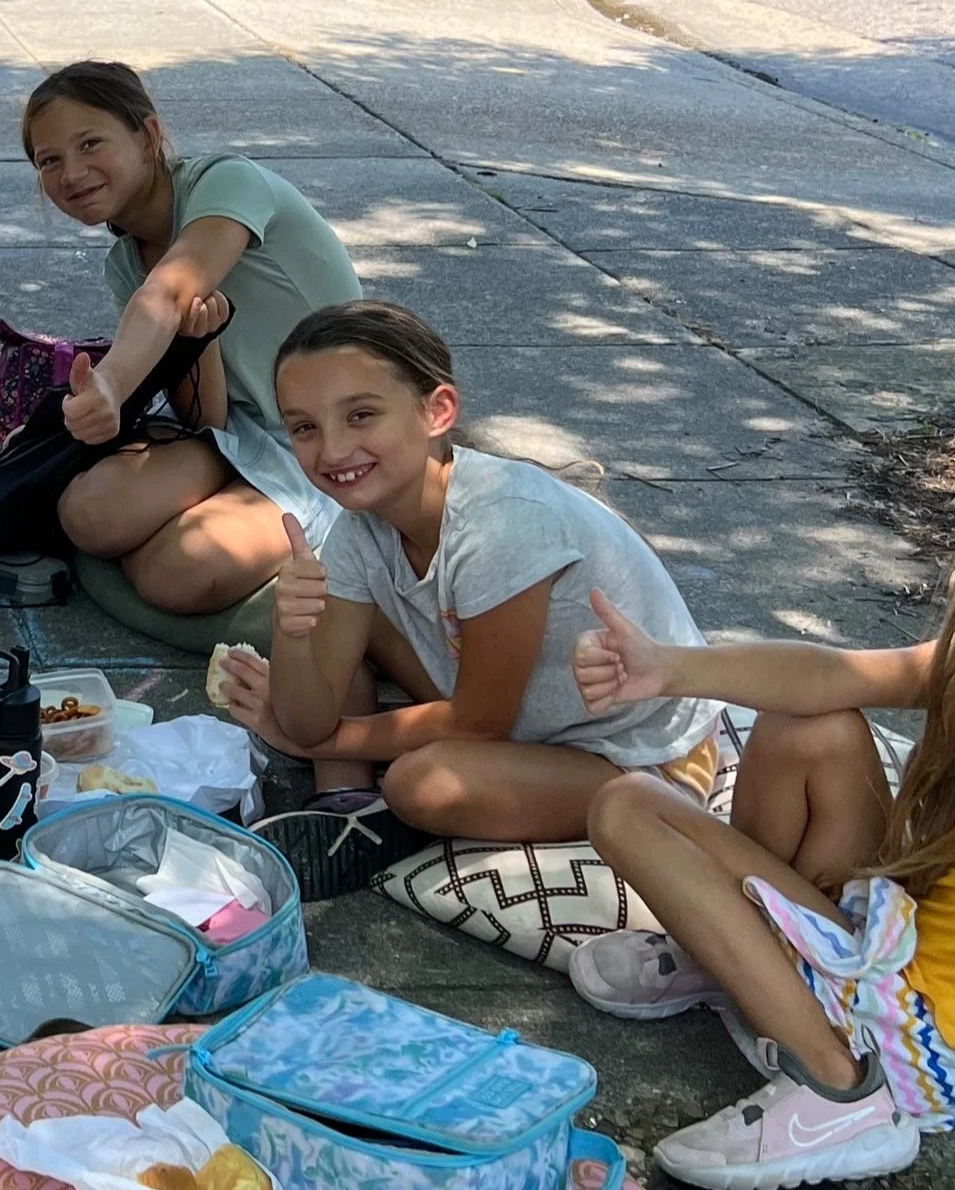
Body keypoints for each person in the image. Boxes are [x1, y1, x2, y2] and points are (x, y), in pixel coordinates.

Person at [564, 470, 955, 1190]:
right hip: (885, 947)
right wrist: (668, 669)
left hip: (916, 1040)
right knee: (807, 726)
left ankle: (841, 1090)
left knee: (628, 807)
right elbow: (827, 673)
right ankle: (738, 963)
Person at [214, 301, 722, 896]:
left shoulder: (499, 525)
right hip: (517, 720)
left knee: (420, 784)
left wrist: (317, 739)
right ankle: (346, 800)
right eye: (304, 428)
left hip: (637, 759)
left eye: (361, 416)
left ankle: (384, 807)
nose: (331, 451)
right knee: (352, 630)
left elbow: (478, 724)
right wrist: (293, 634)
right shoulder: (358, 531)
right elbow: (310, 713)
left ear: (438, 411)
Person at [21, 61, 358, 617]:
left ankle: (330, 532)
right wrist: (197, 350)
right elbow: (211, 421)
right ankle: (232, 525)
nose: (72, 173)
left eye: (90, 144)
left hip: (328, 432)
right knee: (88, 513)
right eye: (49, 161)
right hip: (242, 434)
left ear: (148, 135)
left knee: (177, 572)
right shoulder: (125, 264)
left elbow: (170, 293)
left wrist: (110, 384)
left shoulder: (227, 182)